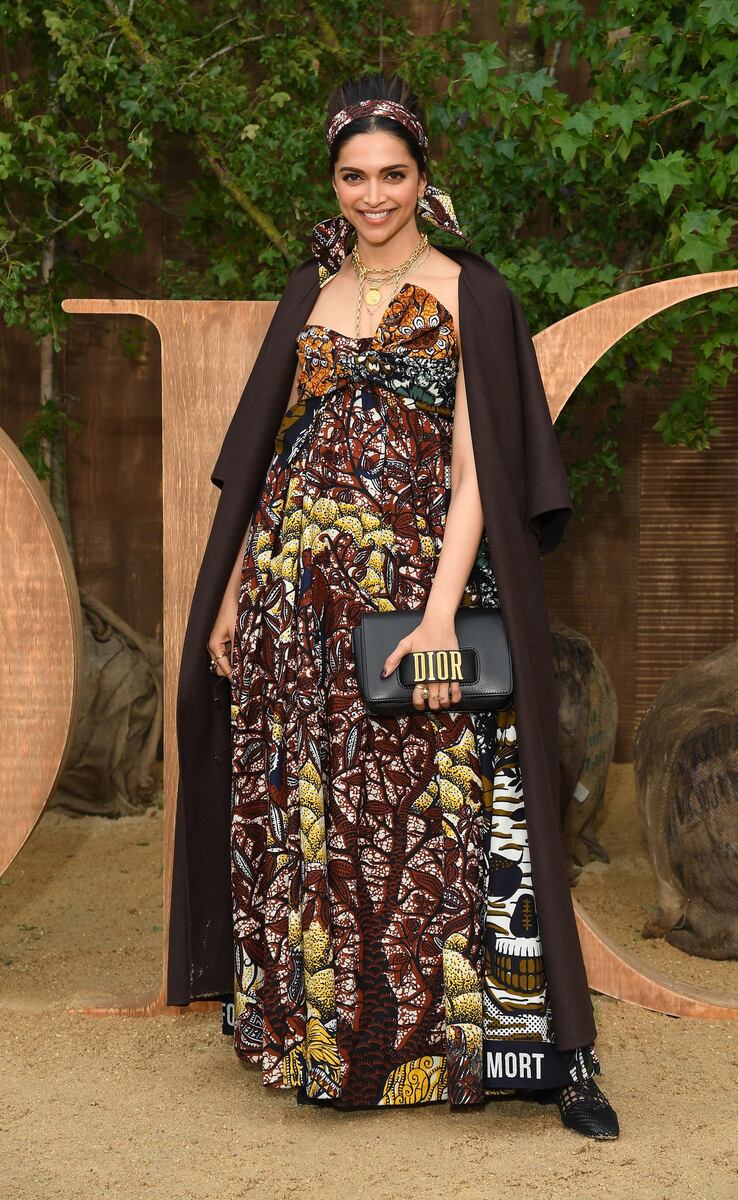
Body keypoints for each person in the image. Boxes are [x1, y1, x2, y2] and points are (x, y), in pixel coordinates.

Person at [199, 71, 619, 1136]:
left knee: (420, 819)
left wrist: (439, 613)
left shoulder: (471, 292)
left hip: (406, 596)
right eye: (352, 176)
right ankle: (320, 1040)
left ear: (423, 177)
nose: (371, 195)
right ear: (331, 180)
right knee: (313, 815)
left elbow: (482, 468)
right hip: (295, 600)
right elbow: (268, 458)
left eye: (391, 174)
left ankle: (444, 1048)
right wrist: (236, 588)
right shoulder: (309, 292)